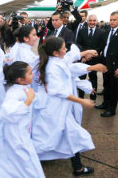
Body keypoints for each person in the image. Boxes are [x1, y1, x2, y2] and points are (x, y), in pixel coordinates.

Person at [31, 36, 95, 176]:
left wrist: (85, 53)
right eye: (64, 48)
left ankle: (78, 167)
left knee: (71, 135)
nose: (66, 50)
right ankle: (24, 162)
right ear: (55, 52)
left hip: (58, 108)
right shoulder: (53, 66)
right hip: (54, 108)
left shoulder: (55, 60)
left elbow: (69, 59)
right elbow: (57, 90)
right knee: (47, 139)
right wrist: (82, 101)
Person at [95, 11, 118, 117]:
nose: (112, 22)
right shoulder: (106, 31)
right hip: (106, 62)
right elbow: (102, 46)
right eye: (110, 20)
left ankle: (112, 109)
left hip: (115, 65)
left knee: (114, 88)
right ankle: (105, 103)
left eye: (114, 20)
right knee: (106, 84)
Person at [76, 14, 104, 100]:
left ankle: (93, 97)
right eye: (90, 20)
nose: (92, 22)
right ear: (87, 21)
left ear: (96, 21)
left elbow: (100, 46)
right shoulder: (82, 31)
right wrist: (84, 55)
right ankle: (80, 97)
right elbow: (78, 44)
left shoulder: (101, 32)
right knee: (81, 79)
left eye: (94, 20)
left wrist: (91, 55)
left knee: (93, 79)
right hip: (83, 59)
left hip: (94, 60)